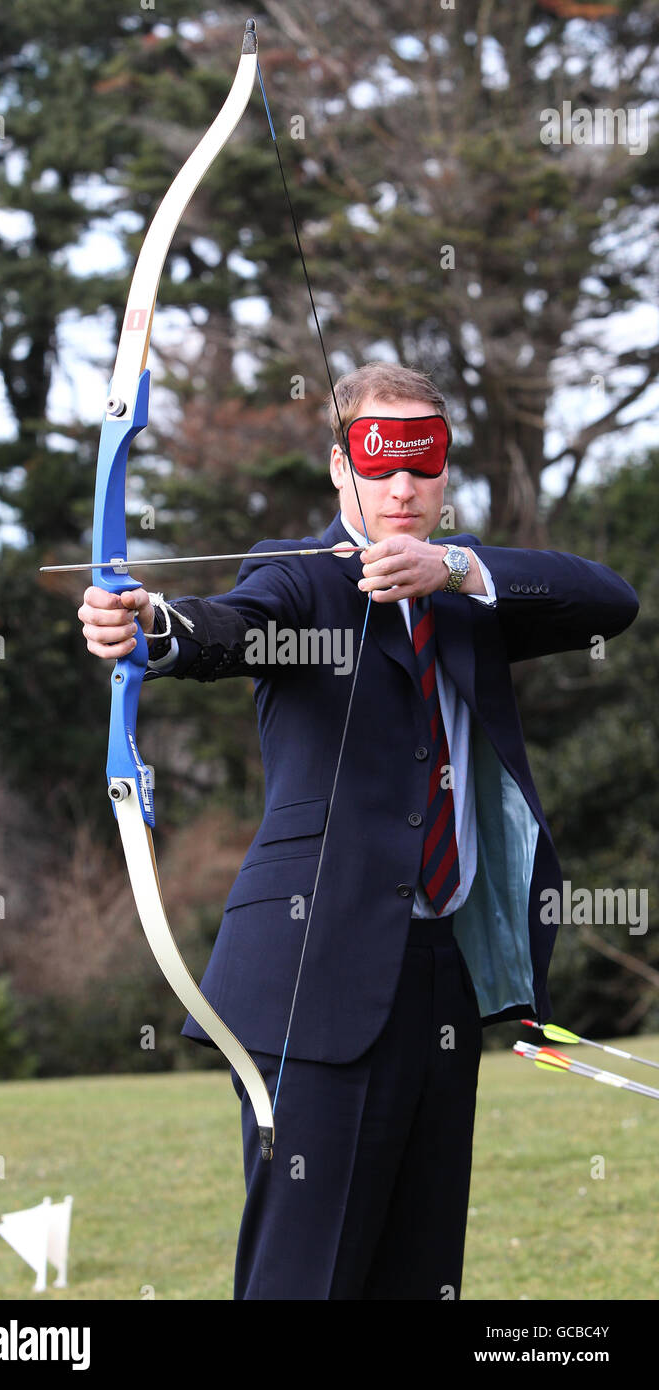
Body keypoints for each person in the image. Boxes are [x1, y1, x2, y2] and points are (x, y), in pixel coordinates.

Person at [79, 362, 639, 1300]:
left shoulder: (468, 594)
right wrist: (154, 629)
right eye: (381, 465)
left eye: (424, 463)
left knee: (421, 1279)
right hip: (315, 977)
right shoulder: (301, 578)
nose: (404, 487)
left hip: (440, 981)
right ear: (341, 470)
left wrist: (455, 566)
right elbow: (231, 628)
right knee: (305, 1280)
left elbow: (609, 599)